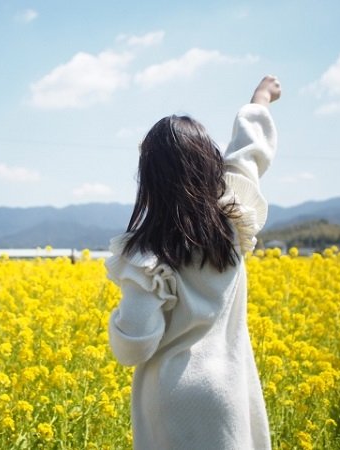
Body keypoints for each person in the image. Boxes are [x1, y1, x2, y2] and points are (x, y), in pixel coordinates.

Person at [105, 75, 281, 450]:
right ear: (210, 167)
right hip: (228, 393)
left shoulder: (148, 254)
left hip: (171, 399)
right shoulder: (232, 225)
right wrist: (260, 100)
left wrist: (117, 322)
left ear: (148, 180)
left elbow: (135, 344)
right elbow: (246, 156)